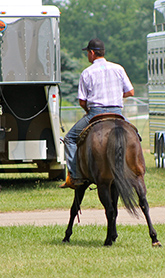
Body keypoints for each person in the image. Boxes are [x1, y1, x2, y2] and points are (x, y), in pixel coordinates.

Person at [60, 38, 135, 189]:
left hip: (95, 112)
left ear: (92, 53)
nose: (87, 56)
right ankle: (135, 168)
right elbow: (130, 92)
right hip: (116, 112)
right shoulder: (118, 68)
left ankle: (75, 176)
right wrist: (115, 96)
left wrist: (89, 111)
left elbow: (82, 101)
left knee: (69, 138)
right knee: (135, 135)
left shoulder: (87, 73)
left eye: (87, 53)